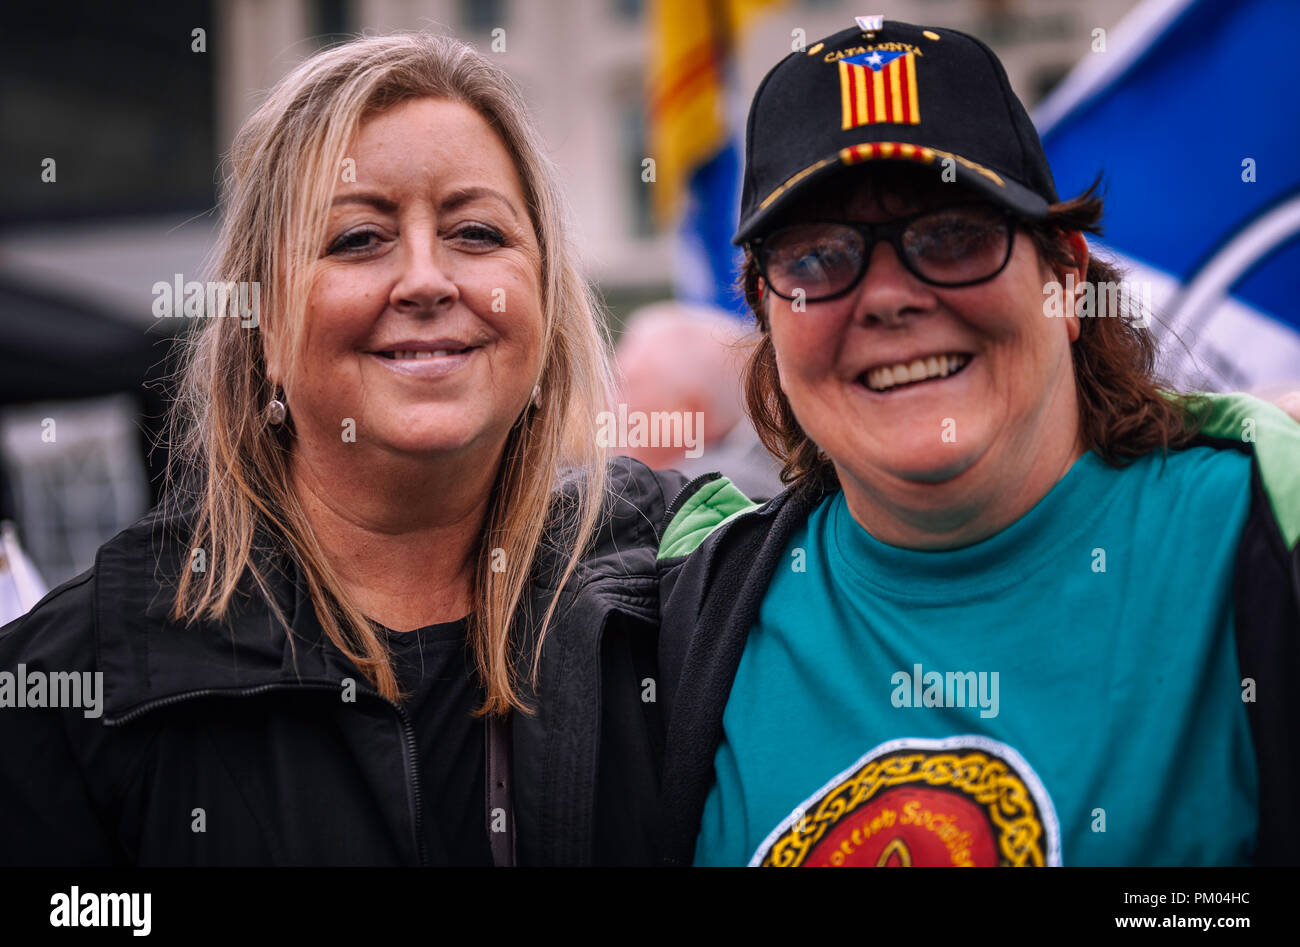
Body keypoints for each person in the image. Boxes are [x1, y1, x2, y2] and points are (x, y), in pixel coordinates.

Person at [0, 33, 685, 866]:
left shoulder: (683, 594)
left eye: (476, 232)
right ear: (264, 336)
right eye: (359, 239)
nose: (428, 280)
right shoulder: (73, 684)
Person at [652, 20, 1300, 866]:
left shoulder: (1258, 538)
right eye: (816, 258)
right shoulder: (684, 617)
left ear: (1066, 279)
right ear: (767, 319)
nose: (886, 298)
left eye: (952, 235)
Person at [613, 301, 784, 499]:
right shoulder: (759, 483)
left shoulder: (699, 498)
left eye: (626, 385)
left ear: (688, 414)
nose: (610, 401)